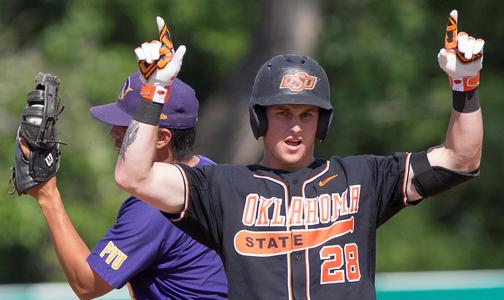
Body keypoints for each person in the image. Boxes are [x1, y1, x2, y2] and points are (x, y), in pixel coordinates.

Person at [116, 11, 484, 299]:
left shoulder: (363, 177)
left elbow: (460, 159)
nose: (295, 126)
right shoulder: (224, 189)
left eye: (307, 115)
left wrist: (465, 84)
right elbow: (134, 176)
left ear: (322, 123)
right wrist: (154, 93)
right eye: (282, 113)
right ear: (259, 118)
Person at [23, 72, 228, 299]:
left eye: (129, 127)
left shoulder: (154, 208)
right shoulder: (209, 173)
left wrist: (47, 195)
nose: (114, 133)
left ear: (161, 138)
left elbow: (88, 284)